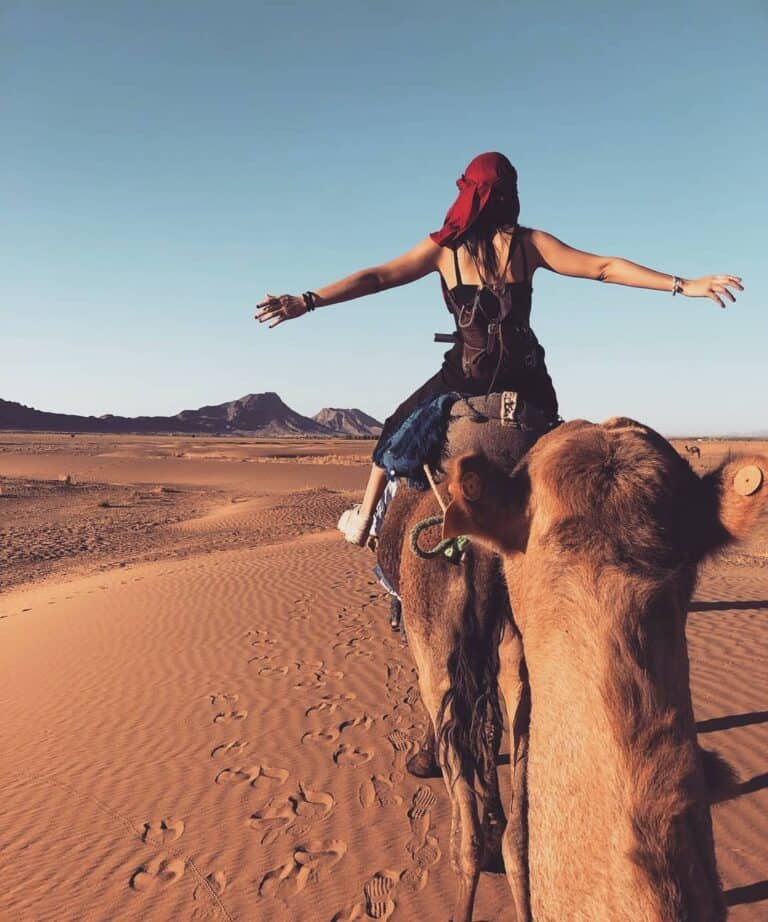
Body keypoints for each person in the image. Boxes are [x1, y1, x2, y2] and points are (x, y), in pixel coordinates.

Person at [255, 152, 743, 546]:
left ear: (467, 193)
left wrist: (308, 300)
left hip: (463, 380)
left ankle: (365, 520)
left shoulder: (444, 249)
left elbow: (377, 277)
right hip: (528, 381)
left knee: (392, 436)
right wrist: (683, 285)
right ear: (510, 195)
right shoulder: (529, 244)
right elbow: (603, 268)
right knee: (550, 438)